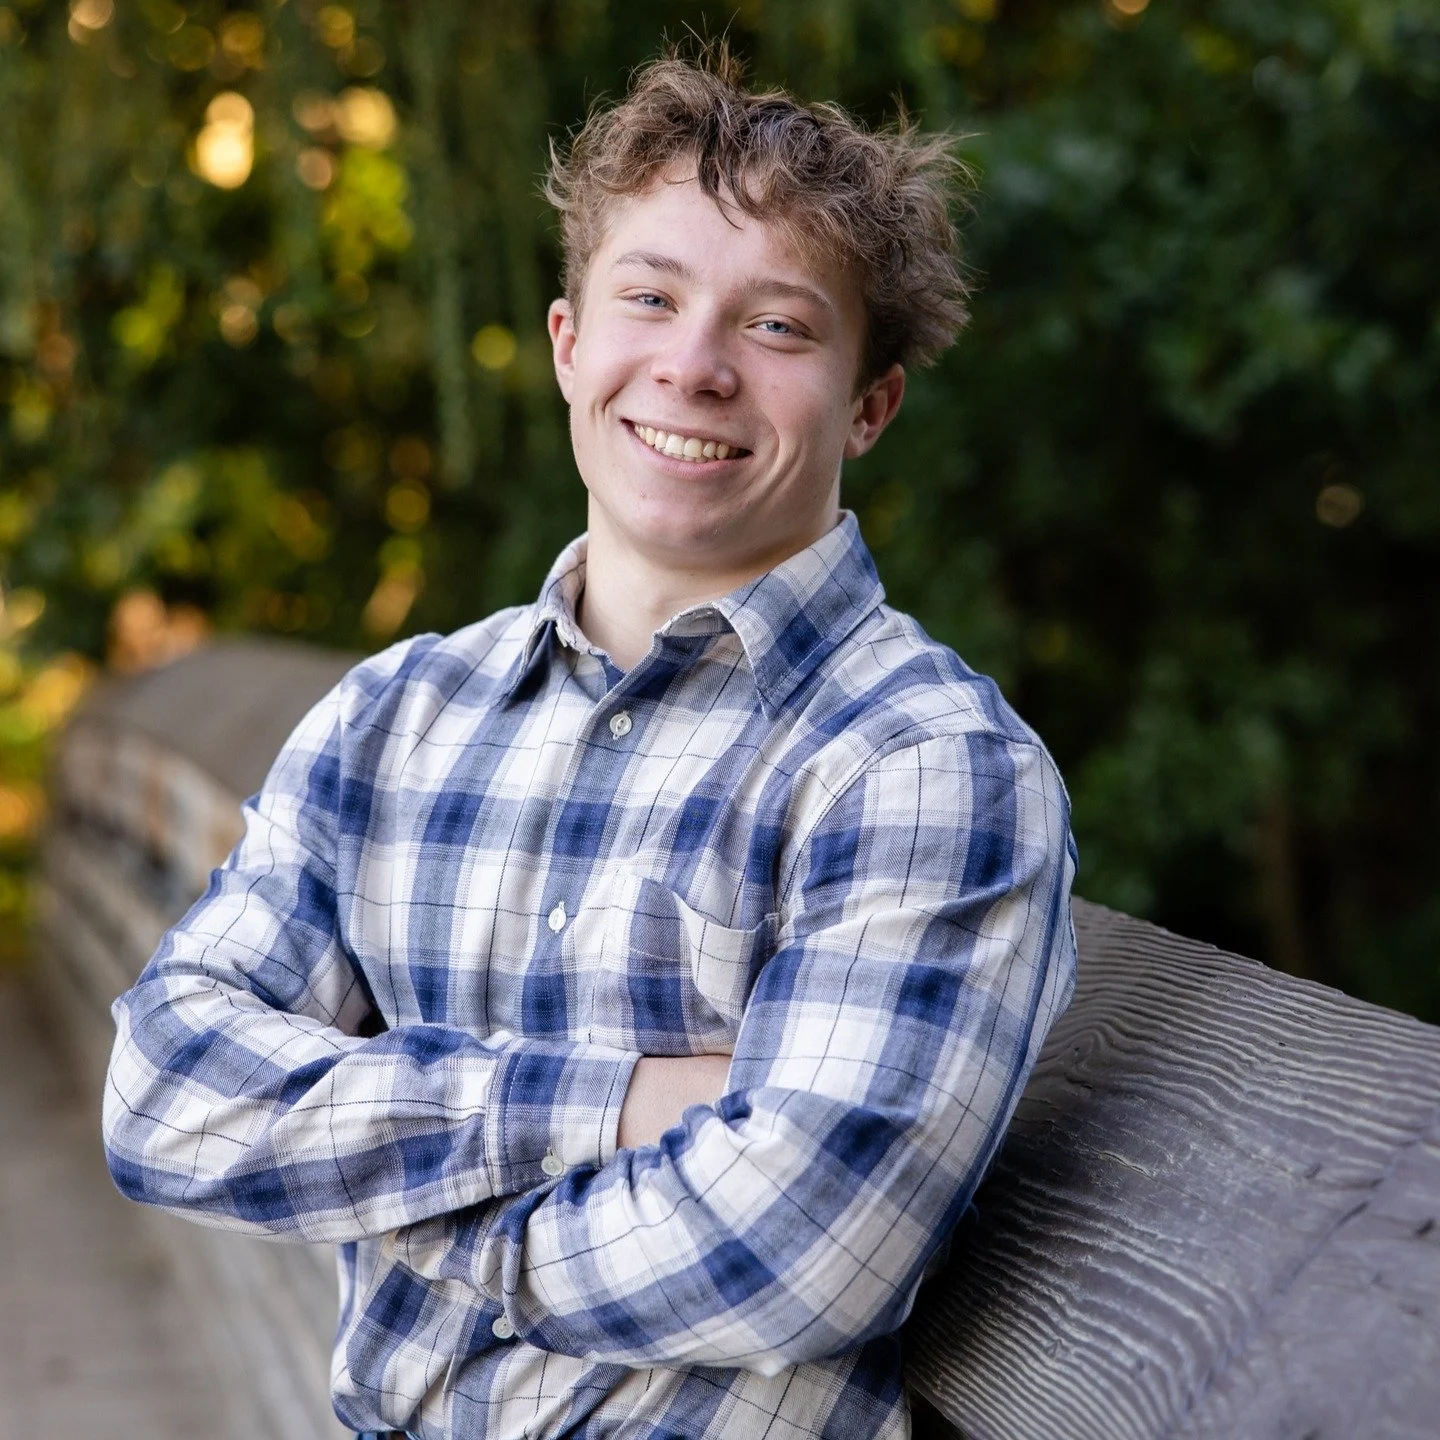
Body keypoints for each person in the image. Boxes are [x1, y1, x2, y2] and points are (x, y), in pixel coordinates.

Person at [103, 45, 1077, 1440]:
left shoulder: (923, 766)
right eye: (652, 298)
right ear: (569, 344)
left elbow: (798, 1249)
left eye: (780, 328)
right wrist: (617, 1106)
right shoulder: (395, 720)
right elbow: (165, 1096)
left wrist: (413, 1210)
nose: (694, 366)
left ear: (871, 404)